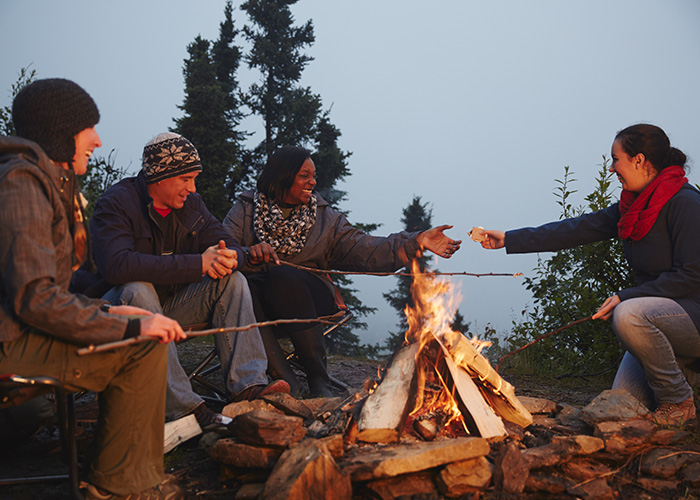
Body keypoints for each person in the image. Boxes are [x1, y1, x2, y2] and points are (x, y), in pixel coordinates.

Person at [0, 78, 185, 499]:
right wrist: (129, 330)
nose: (98, 141)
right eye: (89, 129)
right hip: (10, 343)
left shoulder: (40, 181)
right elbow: (33, 297)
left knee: (136, 328)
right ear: (60, 132)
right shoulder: (22, 184)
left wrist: (110, 313)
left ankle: (120, 476)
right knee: (143, 346)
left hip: (18, 332)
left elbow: (42, 288)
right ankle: (122, 486)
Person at [478, 123, 700, 428]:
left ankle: (679, 401)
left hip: (690, 319)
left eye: (615, 159)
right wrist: (509, 239)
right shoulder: (632, 207)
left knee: (628, 314)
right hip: (655, 325)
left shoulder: (685, 203)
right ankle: (679, 381)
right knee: (622, 406)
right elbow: (576, 229)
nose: (611, 169)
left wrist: (627, 296)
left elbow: (692, 275)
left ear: (638, 159)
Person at [82, 132, 289, 428]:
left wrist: (232, 258)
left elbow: (226, 245)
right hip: (115, 313)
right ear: (162, 176)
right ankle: (184, 410)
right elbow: (117, 267)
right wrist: (198, 264)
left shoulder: (192, 205)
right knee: (138, 289)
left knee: (232, 281)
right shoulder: (117, 204)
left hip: (170, 307)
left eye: (194, 179)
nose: (192, 188)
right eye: (186, 179)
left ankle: (248, 387)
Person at [223, 145, 462, 397]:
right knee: (243, 289)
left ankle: (319, 379)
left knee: (282, 277)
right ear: (282, 175)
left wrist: (416, 241)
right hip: (255, 304)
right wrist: (248, 253)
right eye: (304, 175)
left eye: (313, 176)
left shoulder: (325, 219)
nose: (312, 182)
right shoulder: (247, 208)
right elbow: (222, 248)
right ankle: (286, 383)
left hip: (308, 301)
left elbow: (366, 249)